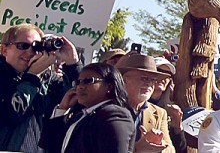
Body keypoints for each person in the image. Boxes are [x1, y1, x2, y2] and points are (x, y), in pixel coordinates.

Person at [0, 24, 80, 152]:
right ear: (4, 50)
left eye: (36, 47)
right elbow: (11, 114)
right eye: (23, 46)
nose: (30, 52)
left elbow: (79, 99)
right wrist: (32, 77)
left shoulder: (47, 80)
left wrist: (73, 64)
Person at [39, 62, 136, 153]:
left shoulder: (114, 115)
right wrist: (62, 108)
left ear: (109, 86)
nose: (80, 86)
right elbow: (48, 144)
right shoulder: (82, 115)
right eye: (78, 82)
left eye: (88, 81)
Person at [117, 53, 176, 153]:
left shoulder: (159, 113)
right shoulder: (110, 109)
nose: (149, 83)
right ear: (125, 80)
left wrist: (158, 144)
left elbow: (171, 150)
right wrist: (137, 149)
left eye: (153, 80)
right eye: (144, 78)